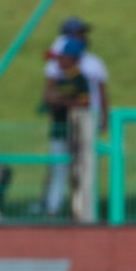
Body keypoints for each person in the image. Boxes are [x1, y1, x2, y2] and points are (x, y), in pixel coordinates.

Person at [40, 37, 91, 217]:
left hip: (76, 134)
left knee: (78, 172)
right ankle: (53, 208)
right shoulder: (59, 80)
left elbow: (85, 104)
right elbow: (47, 100)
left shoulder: (79, 79)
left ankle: (78, 210)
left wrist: (60, 101)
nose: (58, 62)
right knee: (58, 171)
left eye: (62, 58)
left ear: (72, 58)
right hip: (59, 131)